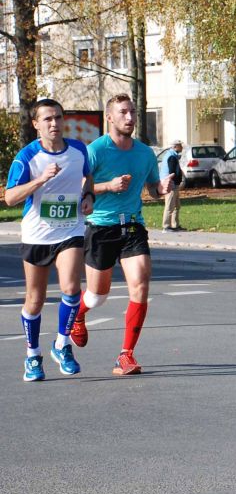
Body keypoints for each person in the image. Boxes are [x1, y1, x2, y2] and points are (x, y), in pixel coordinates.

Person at [69, 93, 174, 375]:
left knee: (141, 282)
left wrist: (161, 189)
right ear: (110, 117)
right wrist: (107, 186)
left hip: (131, 225)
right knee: (97, 295)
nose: (130, 118)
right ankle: (78, 315)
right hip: (101, 226)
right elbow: (80, 188)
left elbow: (151, 188)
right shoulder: (95, 151)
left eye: (133, 112)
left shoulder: (144, 152)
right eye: (124, 113)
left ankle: (125, 355)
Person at [4, 99, 94, 381]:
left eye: (58, 118)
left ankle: (62, 344)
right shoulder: (27, 157)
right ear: (36, 125)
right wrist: (39, 180)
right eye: (47, 120)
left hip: (70, 230)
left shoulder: (79, 150)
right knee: (36, 299)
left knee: (71, 288)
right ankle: (32, 355)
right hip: (37, 234)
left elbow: (87, 177)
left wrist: (89, 196)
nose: (54, 124)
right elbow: (9, 198)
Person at [162, 140, 184, 232]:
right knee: (170, 206)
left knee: (176, 206)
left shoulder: (173, 155)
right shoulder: (171, 156)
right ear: (175, 147)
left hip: (174, 184)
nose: (182, 147)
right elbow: (172, 172)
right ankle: (166, 226)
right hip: (170, 185)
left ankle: (175, 225)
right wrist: (176, 182)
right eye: (180, 145)